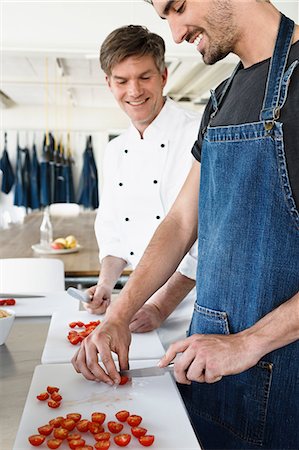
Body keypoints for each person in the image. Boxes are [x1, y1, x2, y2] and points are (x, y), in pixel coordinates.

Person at [72, 2, 299, 449]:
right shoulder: (221, 98)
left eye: (177, 7)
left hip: (282, 385)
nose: (175, 34)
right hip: (211, 374)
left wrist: (249, 343)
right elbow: (179, 222)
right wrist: (118, 314)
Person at [84, 25, 201, 347]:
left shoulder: (199, 135)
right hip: (136, 309)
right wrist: (107, 285)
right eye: (122, 81)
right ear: (109, 84)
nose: (134, 91)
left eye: (144, 77)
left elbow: (205, 237)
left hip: (193, 309)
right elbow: (113, 230)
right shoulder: (115, 149)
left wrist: (161, 305)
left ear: (163, 76)